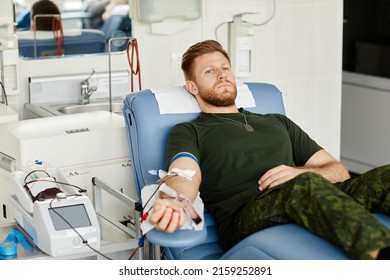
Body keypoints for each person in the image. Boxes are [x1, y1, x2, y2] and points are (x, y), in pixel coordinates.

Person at [147, 39, 390, 260]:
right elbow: (184, 174)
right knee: (304, 186)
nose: (221, 75)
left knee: (385, 175)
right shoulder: (190, 130)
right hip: (244, 216)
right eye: (209, 71)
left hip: (308, 195)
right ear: (192, 87)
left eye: (225, 68)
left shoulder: (277, 121)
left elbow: (338, 171)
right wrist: (176, 201)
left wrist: (303, 172)